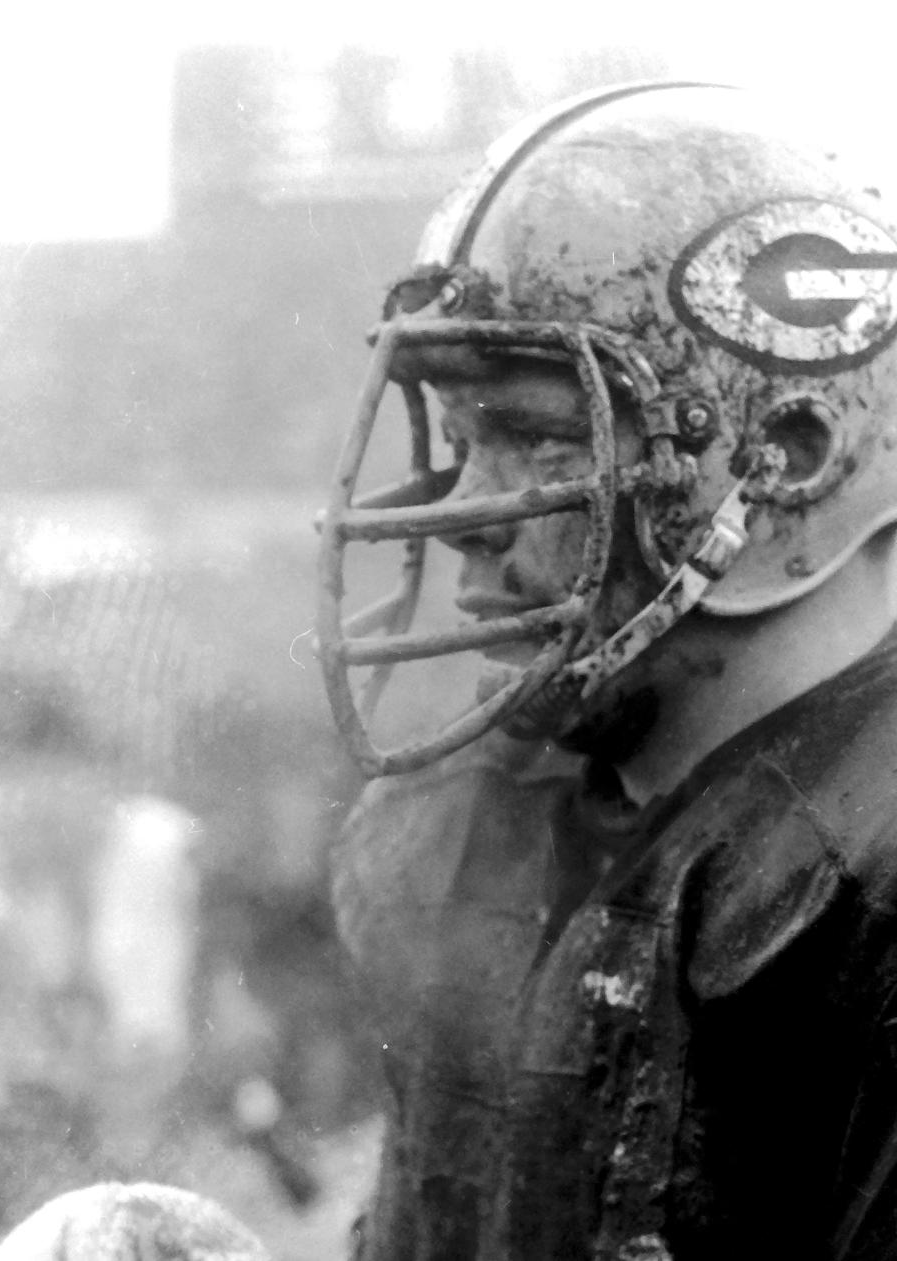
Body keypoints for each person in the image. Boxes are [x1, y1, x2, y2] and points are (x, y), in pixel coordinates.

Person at [316, 82, 897, 1259]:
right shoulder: (460, 825)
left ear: (784, 458)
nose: (468, 512)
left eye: (537, 434)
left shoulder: (867, 884)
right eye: (462, 432)